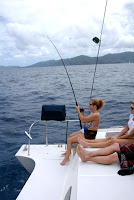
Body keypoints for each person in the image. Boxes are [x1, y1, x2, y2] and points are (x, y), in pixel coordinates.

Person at [60, 98, 105, 165]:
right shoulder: (93, 113)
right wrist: (83, 112)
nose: (89, 105)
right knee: (70, 136)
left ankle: (67, 158)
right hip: (86, 131)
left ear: (95, 106)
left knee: (69, 140)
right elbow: (85, 120)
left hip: (89, 135)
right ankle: (68, 152)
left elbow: (83, 120)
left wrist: (78, 111)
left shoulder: (96, 115)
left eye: (90, 104)